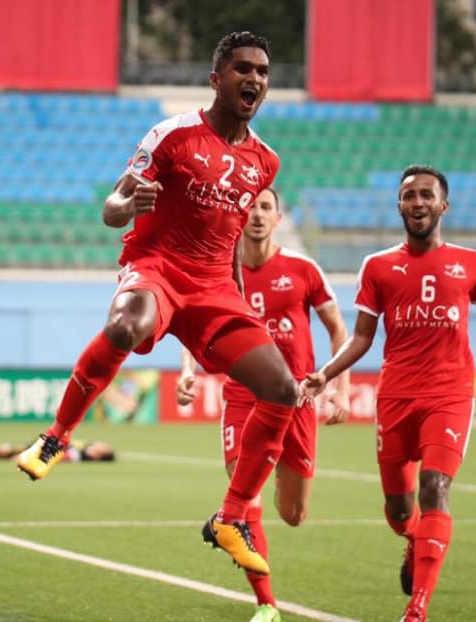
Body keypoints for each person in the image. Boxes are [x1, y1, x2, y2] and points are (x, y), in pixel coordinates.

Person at [16, 31, 298, 576]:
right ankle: (56, 437)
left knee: (282, 389)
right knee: (127, 325)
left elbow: (235, 238)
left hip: (215, 287)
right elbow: (111, 205)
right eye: (243, 69)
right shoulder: (172, 135)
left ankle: (230, 518)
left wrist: (239, 302)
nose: (255, 79)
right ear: (217, 79)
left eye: (263, 71)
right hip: (158, 269)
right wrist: (129, 203)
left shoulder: (265, 161)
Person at [299, 165, 476, 622]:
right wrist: (323, 374)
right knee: (398, 509)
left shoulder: (473, 264)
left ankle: (417, 608)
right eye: (409, 196)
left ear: (443, 206)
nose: (418, 202)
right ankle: (413, 539)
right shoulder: (378, 266)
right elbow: (363, 337)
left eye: (427, 195)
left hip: (450, 393)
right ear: (399, 206)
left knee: (435, 487)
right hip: (396, 397)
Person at [176, 187, 351, 622]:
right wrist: (188, 371)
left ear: (278, 217)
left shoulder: (303, 269)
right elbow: (194, 325)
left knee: (293, 514)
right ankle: (267, 604)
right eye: (249, 207)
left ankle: (262, 491)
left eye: (265, 207)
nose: (256, 214)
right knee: (244, 497)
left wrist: (338, 386)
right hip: (243, 397)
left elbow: (339, 331)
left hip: (297, 401)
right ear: (238, 216)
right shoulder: (218, 273)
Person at [0, 438, 115, 462]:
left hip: (33, 452)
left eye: (104, 447)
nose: (101, 443)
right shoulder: (81, 447)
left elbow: (59, 456)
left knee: (2, 452)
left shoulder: (78, 454)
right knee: (2, 451)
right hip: (35, 447)